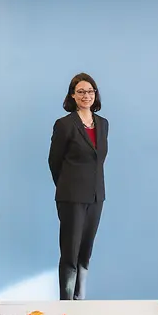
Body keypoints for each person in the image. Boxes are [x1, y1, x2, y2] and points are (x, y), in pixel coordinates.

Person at [48, 73, 109, 300]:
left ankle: (80, 298)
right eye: (81, 91)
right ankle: (66, 303)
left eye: (90, 91)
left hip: (96, 196)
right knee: (70, 253)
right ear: (72, 95)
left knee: (86, 251)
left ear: (95, 94)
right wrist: (67, 186)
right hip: (71, 197)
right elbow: (54, 161)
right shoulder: (64, 125)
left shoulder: (103, 124)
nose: (86, 96)